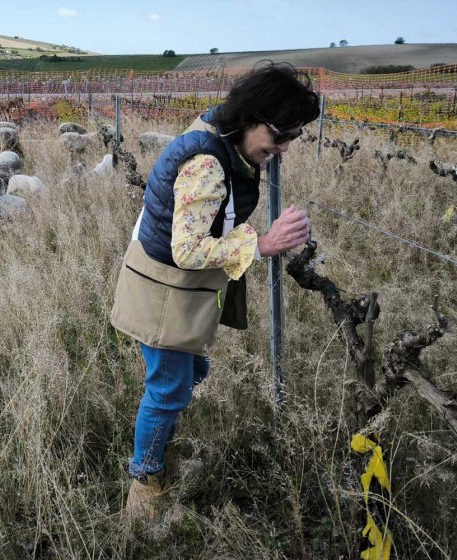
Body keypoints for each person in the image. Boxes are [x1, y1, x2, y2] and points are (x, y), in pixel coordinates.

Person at [109, 61, 320, 522]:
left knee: (188, 375)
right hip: (167, 288)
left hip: (179, 287)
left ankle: (163, 449)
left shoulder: (225, 132)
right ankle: (145, 491)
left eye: (294, 137)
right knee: (166, 389)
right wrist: (263, 244)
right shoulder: (207, 163)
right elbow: (186, 250)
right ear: (250, 118)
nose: (283, 147)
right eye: (280, 135)